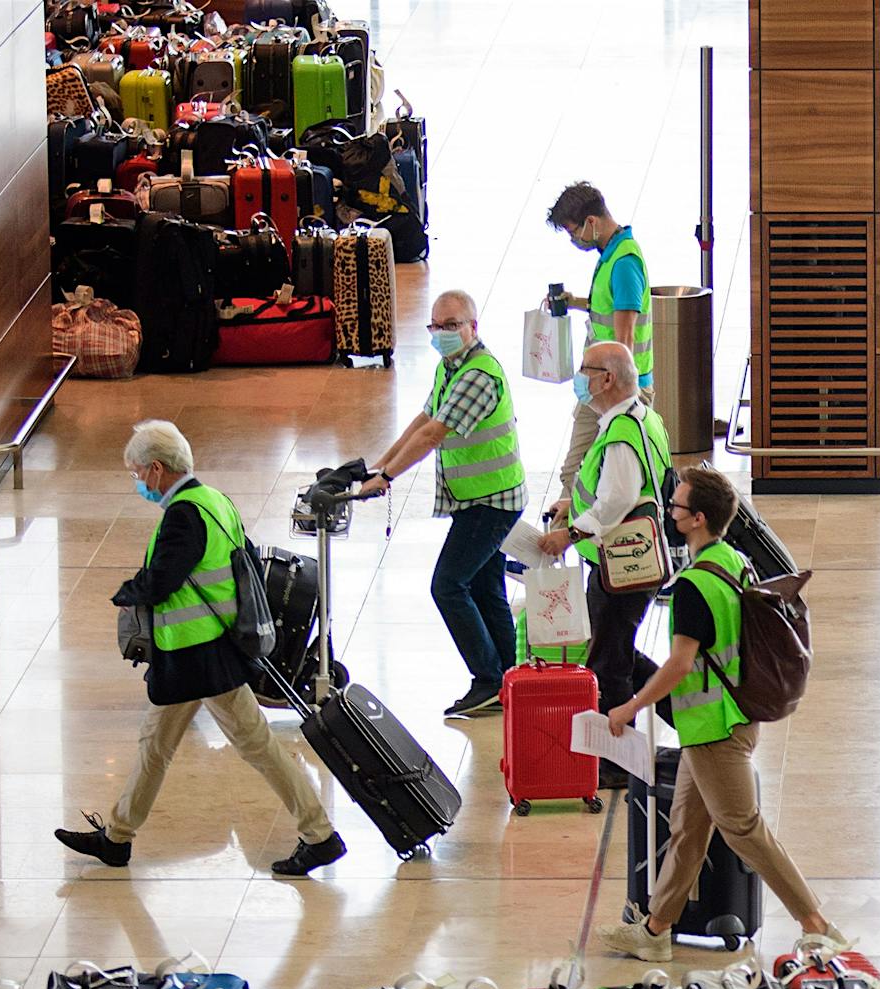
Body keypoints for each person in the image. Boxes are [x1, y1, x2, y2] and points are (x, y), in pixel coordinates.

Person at [54, 420, 346, 876]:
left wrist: (127, 592)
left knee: (259, 748)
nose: (138, 483)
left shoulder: (182, 515)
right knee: (157, 746)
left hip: (199, 659)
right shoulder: (216, 501)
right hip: (207, 654)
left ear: (156, 469)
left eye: (136, 474)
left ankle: (320, 834)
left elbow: (164, 580)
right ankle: (116, 837)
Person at [596, 466, 842, 962]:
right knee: (688, 828)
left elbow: (681, 663)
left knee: (743, 829)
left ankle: (815, 923)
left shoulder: (691, 586)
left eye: (678, 507)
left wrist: (630, 704)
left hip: (715, 729)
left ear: (697, 520)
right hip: (729, 717)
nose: (670, 511)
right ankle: (656, 928)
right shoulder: (734, 561)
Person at [362, 291, 526, 719]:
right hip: (479, 499)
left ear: (474, 326)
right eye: (436, 326)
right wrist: (379, 465)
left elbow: (435, 434)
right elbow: (423, 420)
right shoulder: (450, 368)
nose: (443, 334)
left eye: (452, 325)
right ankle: (511, 677)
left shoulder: (478, 375)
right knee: (486, 588)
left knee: (448, 585)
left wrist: (388, 477)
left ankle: (488, 678)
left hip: (493, 503)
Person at [536, 342, 671, 780]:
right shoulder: (641, 418)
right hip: (636, 558)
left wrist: (570, 534)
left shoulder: (620, 433)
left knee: (609, 663)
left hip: (621, 567)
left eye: (585, 371)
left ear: (607, 378)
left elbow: (617, 498)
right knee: (618, 650)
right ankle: (688, 707)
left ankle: (616, 761)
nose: (579, 379)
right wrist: (569, 506)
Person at [545, 181, 653, 495]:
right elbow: (607, 307)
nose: (574, 239)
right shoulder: (611, 253)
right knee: (583, 475)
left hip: (615, 391)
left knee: (579, 474)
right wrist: (574, 301)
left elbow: (625, 339)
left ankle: (572, 532)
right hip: (601, 387)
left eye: (573, 231)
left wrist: (617, 401)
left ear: (592, 222)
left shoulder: (623, 263)